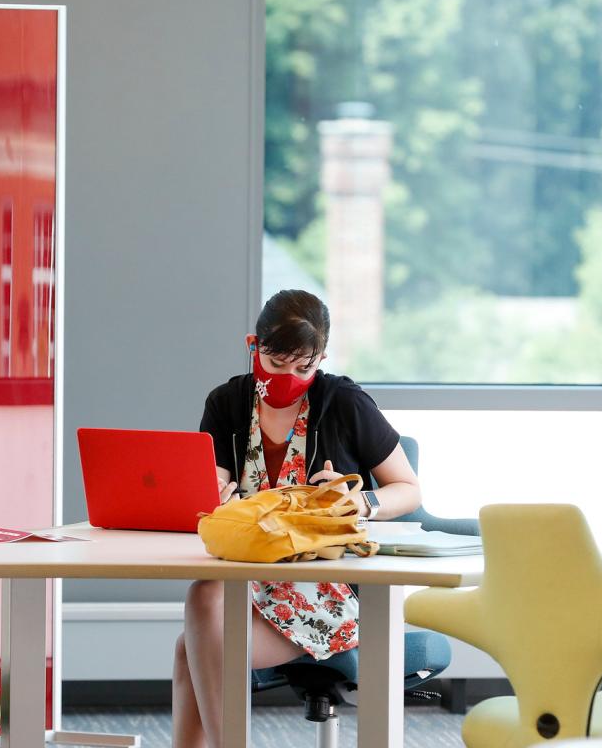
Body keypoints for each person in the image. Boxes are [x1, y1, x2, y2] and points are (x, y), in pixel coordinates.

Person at [172, 289, 422, 748]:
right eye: (277, 360)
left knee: (195, 634)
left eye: (303, 366)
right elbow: (208, 488)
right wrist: (216, 496)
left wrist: (360, 501)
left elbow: (407, 490)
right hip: (251, 578)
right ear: (253, 345)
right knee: (199, 615)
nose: (289, 376)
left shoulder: (344, 402)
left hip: (332, 584)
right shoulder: (227, 403)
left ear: (321, 358)